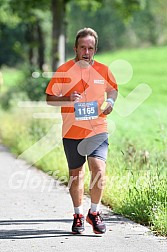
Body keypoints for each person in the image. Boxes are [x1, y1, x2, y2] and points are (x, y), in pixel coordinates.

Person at [45, 27, 118, 234]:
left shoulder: (103, 70)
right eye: (83, 48)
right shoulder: (64, 70)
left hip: (97, 129)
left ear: (95, 49)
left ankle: (94, 213)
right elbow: (49, 98)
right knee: (76, 175)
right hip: (72, 131)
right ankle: (78, 214)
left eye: (91, 48)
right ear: (75, 48)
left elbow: (113, 88)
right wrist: (67, 99)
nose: (87, 52)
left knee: (98, 169)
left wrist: (111, 101)